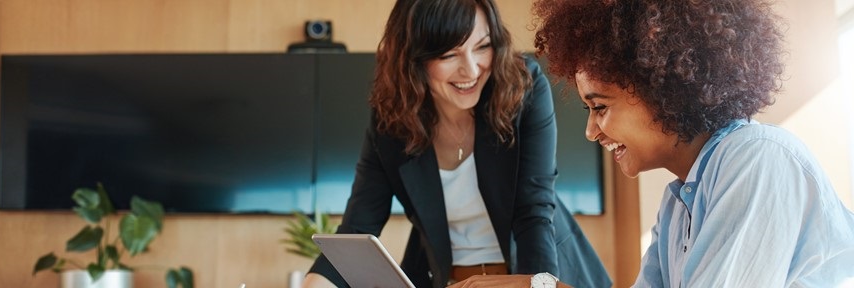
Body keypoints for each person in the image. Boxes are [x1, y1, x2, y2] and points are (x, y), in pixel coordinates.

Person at [533, 0, 854, 287]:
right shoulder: (676, 205)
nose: (591, 132)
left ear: (661, 89)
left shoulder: (758, 158)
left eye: (599, 107)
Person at [303, 0, 610, 287]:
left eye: (483, 46)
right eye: (449, 55)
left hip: (538, 273)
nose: (472, 70)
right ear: (412, 58)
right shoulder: (392, 119)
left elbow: (534, 210)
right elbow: (358, 228)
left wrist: (534, 285)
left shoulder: (523, 88)